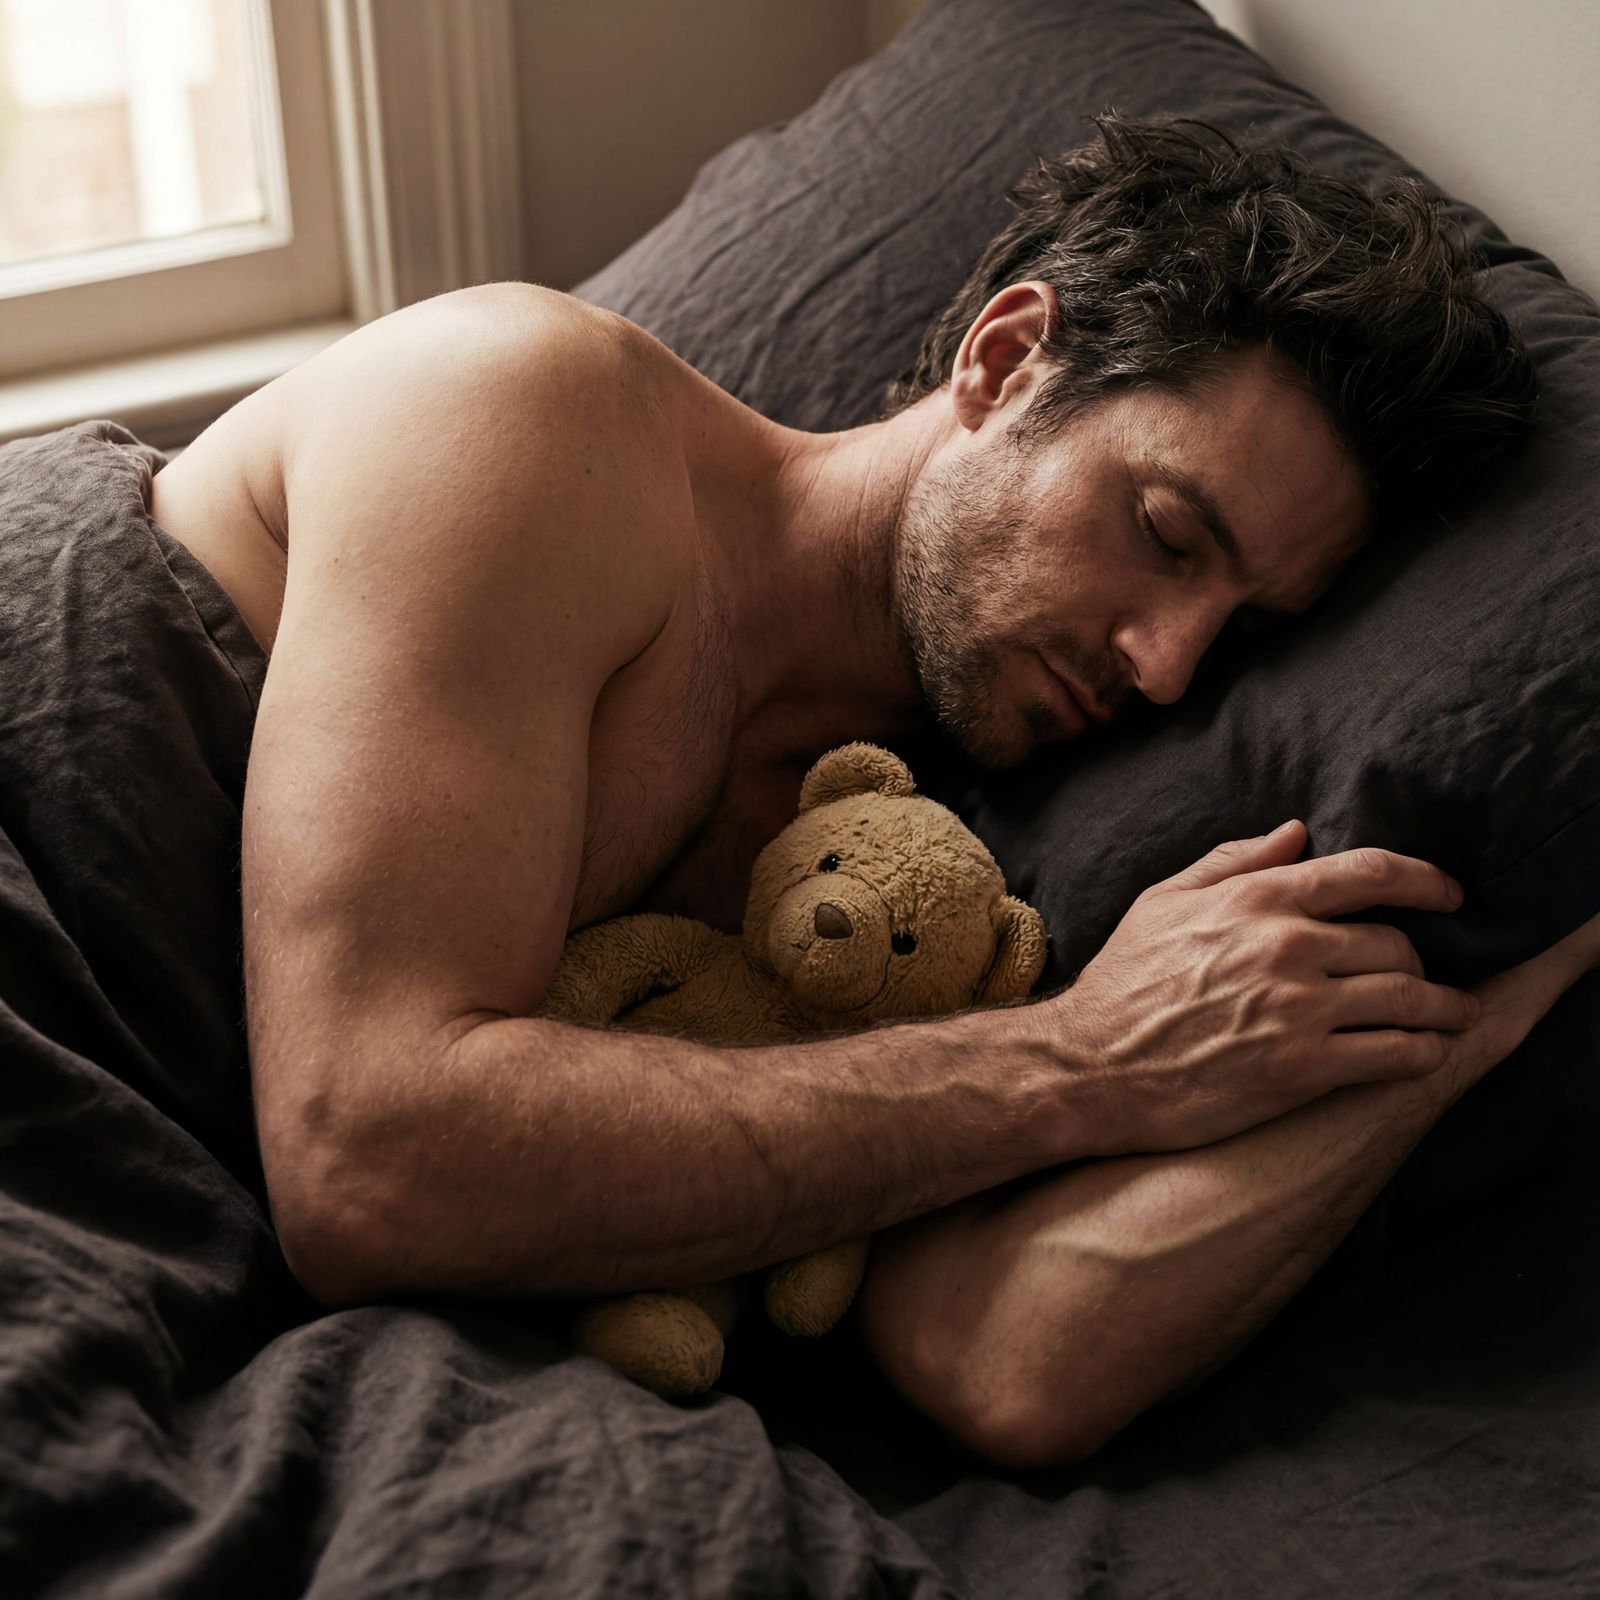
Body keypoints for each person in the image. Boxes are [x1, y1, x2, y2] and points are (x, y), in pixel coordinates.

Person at [145, 114, 1593, 1470]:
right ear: (1006, 361)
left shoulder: (902, 873)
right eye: (1163, 533)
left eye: (1245, 631)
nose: (1168, 668)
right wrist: (1086, 1059)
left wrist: (1465, 1028)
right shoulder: (535, 412)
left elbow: (1000, 1364)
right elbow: (368, 1157)